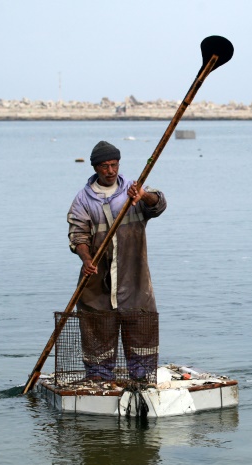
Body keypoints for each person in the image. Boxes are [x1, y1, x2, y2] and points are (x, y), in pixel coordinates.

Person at [67, 140, 167, 380]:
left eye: (114, 165)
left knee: (141, 330)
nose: (110, 171)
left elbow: (158, 204)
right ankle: (100, 378)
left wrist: (143, 196)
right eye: (104, 166)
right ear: (95, 168)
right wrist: (86, 258)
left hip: (134, 280)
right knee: (97, 331)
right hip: (96, 284)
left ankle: (142, 378)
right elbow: (77, 235)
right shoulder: (83, 200)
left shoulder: (133, 191)